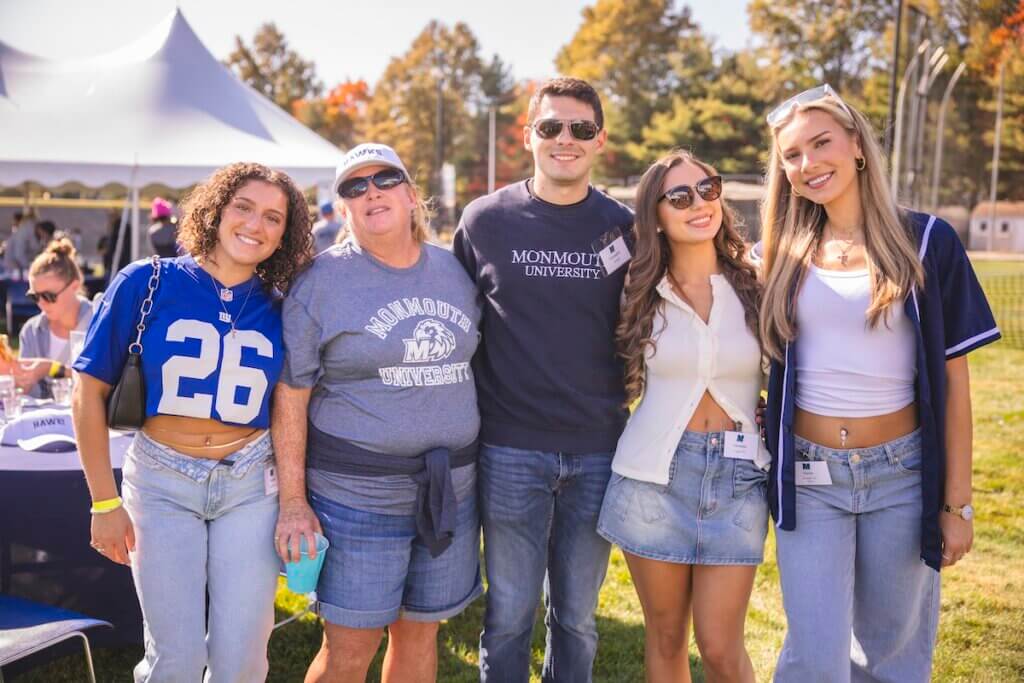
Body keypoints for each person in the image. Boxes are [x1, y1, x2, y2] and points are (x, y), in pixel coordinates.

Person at [760, 85, 1001, 682]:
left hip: (902, 475)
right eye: (792, 155)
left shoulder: (927, 241)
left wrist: (956, 504)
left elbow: (954, 384)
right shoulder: (779, 253)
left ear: (857, 146)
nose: (808, 164)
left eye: (821, 144)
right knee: (815, 655)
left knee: (890, 654)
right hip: (811, 478)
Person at [71, 162, 312, 682]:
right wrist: (103, 500)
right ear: (216, 210)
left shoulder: (282, 307)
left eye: (273, 217)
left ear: (285, 235)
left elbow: (294, 404)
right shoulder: (146, 281)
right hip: (161, 481)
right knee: (175, 659)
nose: (255, 224)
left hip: (250, 481)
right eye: (243, 207)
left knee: (243, 660)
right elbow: (88, 392)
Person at [274, 143, 482, 683]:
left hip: (450, 493)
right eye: (354, 187)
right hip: (356, 498)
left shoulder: (456, 271)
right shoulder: (319, 283)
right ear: (343, 210)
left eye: (385, 180)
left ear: (412, 195)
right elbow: (291, 397)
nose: (371, 193)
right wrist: (294, 502)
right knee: (352, 645)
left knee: (419, 633)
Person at [452, 77, 634, 681]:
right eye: (551, 126)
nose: (566, 140)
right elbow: (452, 321)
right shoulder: (484, 221)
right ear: (527, 135)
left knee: (578, 617)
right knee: (508, 612)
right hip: (510, 447)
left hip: (598, 448)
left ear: (599, 140)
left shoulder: (624, 228)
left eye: (581, 129)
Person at [597, 151, 767, 682]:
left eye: (708, 188)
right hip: (653, 480)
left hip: (739, 481)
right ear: (657, 216)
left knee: (719, 647)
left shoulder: (758, 281)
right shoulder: (634, 290)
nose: (700, 203)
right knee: (667, 639)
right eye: (680, 196)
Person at [14, 238, 93, 398]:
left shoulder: (100, 323)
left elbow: (108, 383)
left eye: (49, 296)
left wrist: (52, 368)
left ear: (74, 286)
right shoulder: (31, 331)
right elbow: (27, 394)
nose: (41, 303)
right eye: (35, 297)